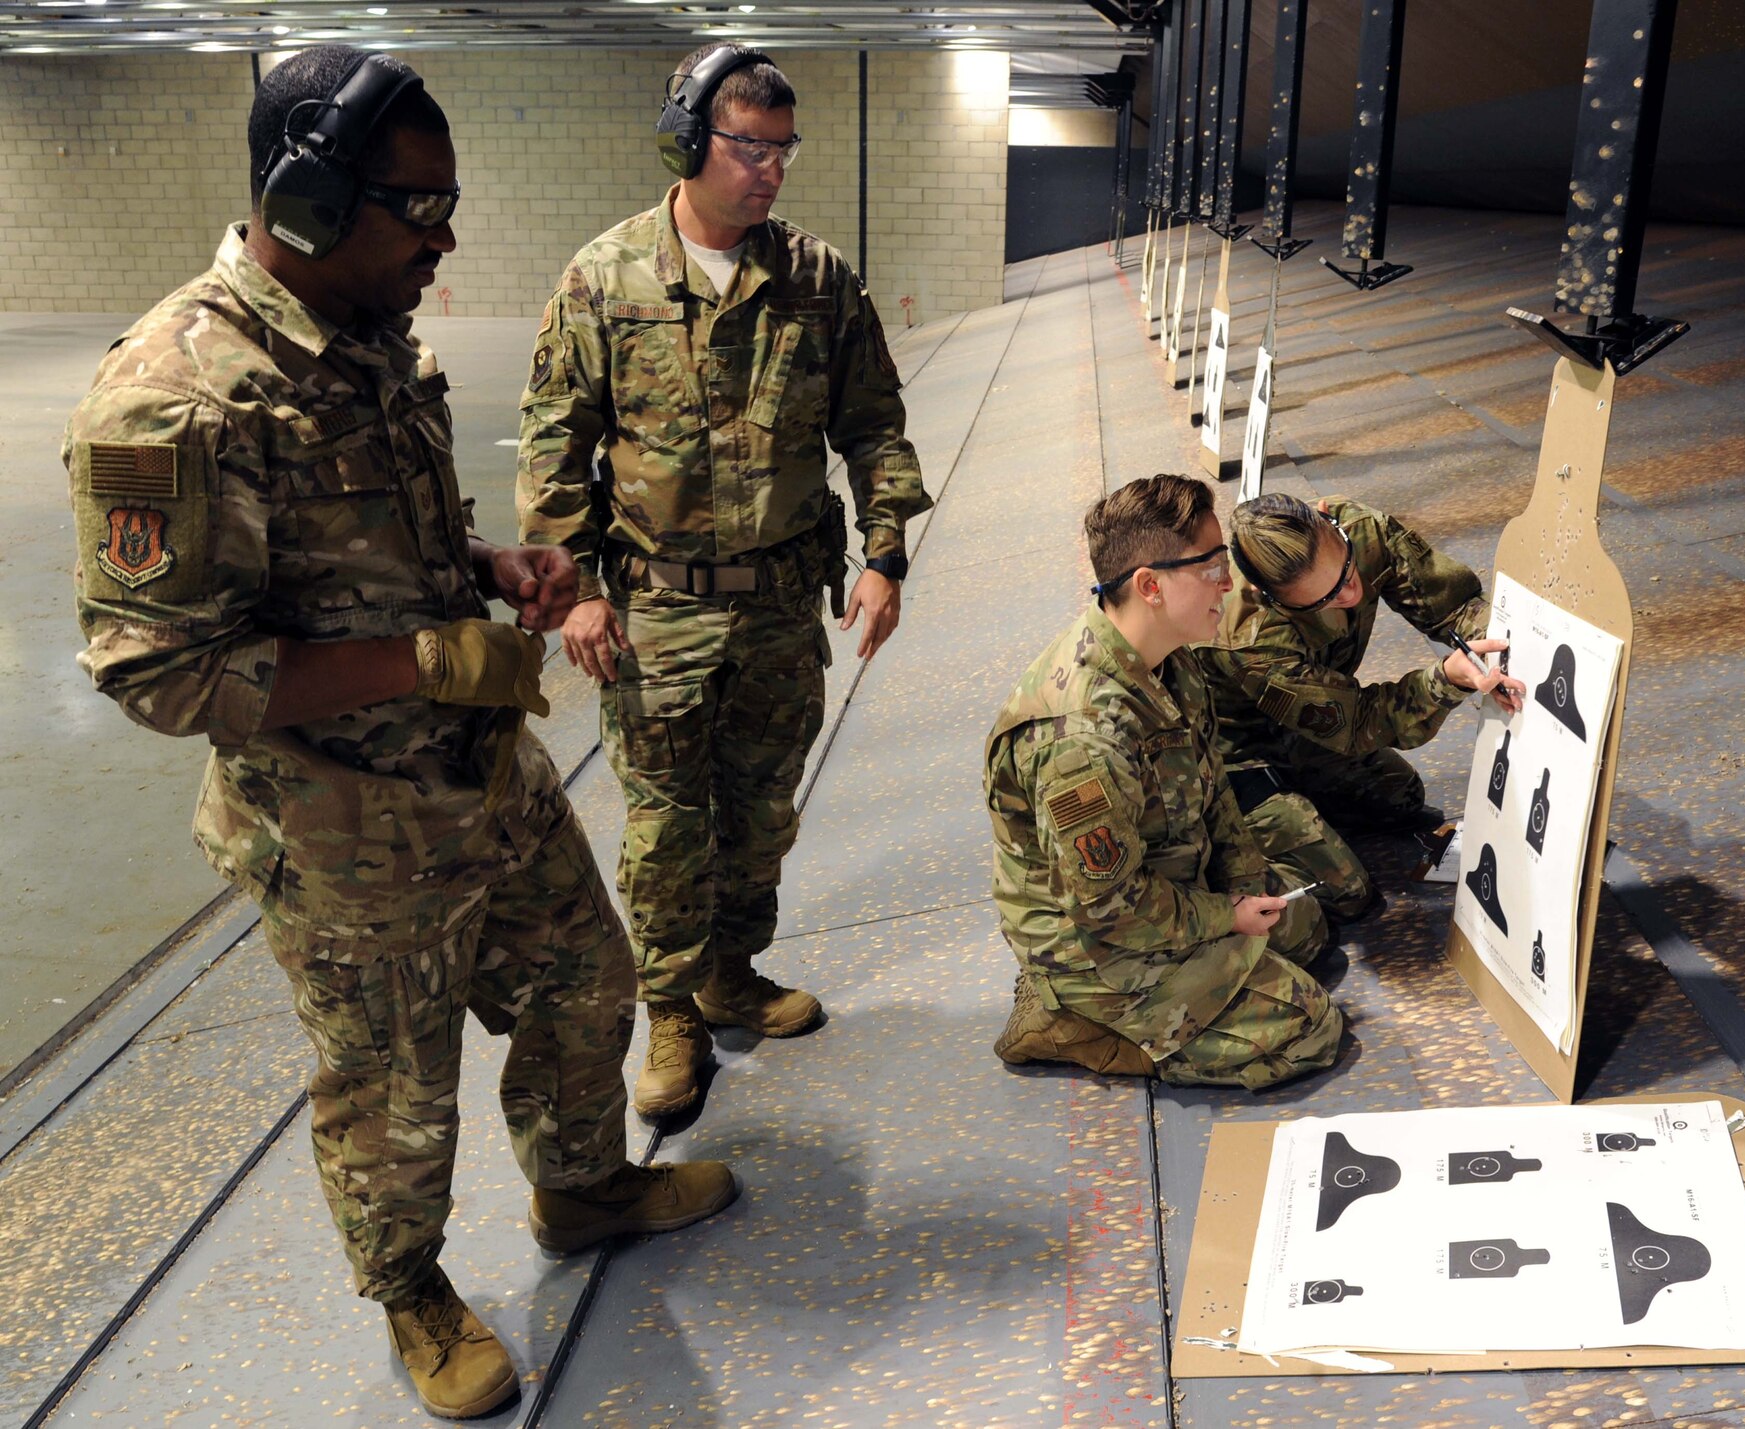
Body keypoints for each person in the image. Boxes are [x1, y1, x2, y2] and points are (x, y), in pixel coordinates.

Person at [65, 46, 735, 1419]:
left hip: (482, 773)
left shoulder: (368, 328)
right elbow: (163, 676)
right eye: (416, 208)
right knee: (394, 1090)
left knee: (586, 988)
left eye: (448, 205)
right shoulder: (173, 399)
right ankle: (413, 1292)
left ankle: (584, 1189)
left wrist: (487, 568)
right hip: (346, 831)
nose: (445, 239)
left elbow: (367, 538)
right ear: (307, 202)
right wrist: (423, 657)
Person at [518, 43, 932, 1120]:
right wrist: (579, 590)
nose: (770, 170)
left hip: (780, 606)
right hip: (654, 609)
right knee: (665, 828)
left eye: (783, 150)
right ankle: (670, 1011)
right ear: (689, 142)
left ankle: (731, 972)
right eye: (749, 147)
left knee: (760, 811)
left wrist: (886, 553)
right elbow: (554, 448)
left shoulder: (818, 279)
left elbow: (874, 427)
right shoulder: (604, 278)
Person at [984, 475, 1344, 1091]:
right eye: (1212, 568)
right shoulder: (1079, 740)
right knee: (1311, 1027)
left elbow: (1214, 791)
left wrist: (1243, 889)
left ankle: (1210, 967)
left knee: (1306, 926)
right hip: (1094, 944)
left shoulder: (1170, 657)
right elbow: (1110, 910)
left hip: (1162, 880)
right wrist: (1227, 916)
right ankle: (1068, 1020)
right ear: (1151, 586)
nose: (1228, 584)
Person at [1196, 493, 1524, 930]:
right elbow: (1358, 724)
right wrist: (1446, 680)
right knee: (1346, 895)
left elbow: (1454, 607)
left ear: (1327, 518)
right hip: (1237, 759)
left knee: (1401, 796)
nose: (1351, 594)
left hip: (1310, 724)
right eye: (1326, 599)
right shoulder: (1250, 640)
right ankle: (1214, 853)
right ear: (1268, 596)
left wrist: (1508, 652)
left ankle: (1300, 807)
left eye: (1348, 570)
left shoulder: (1359, 528)